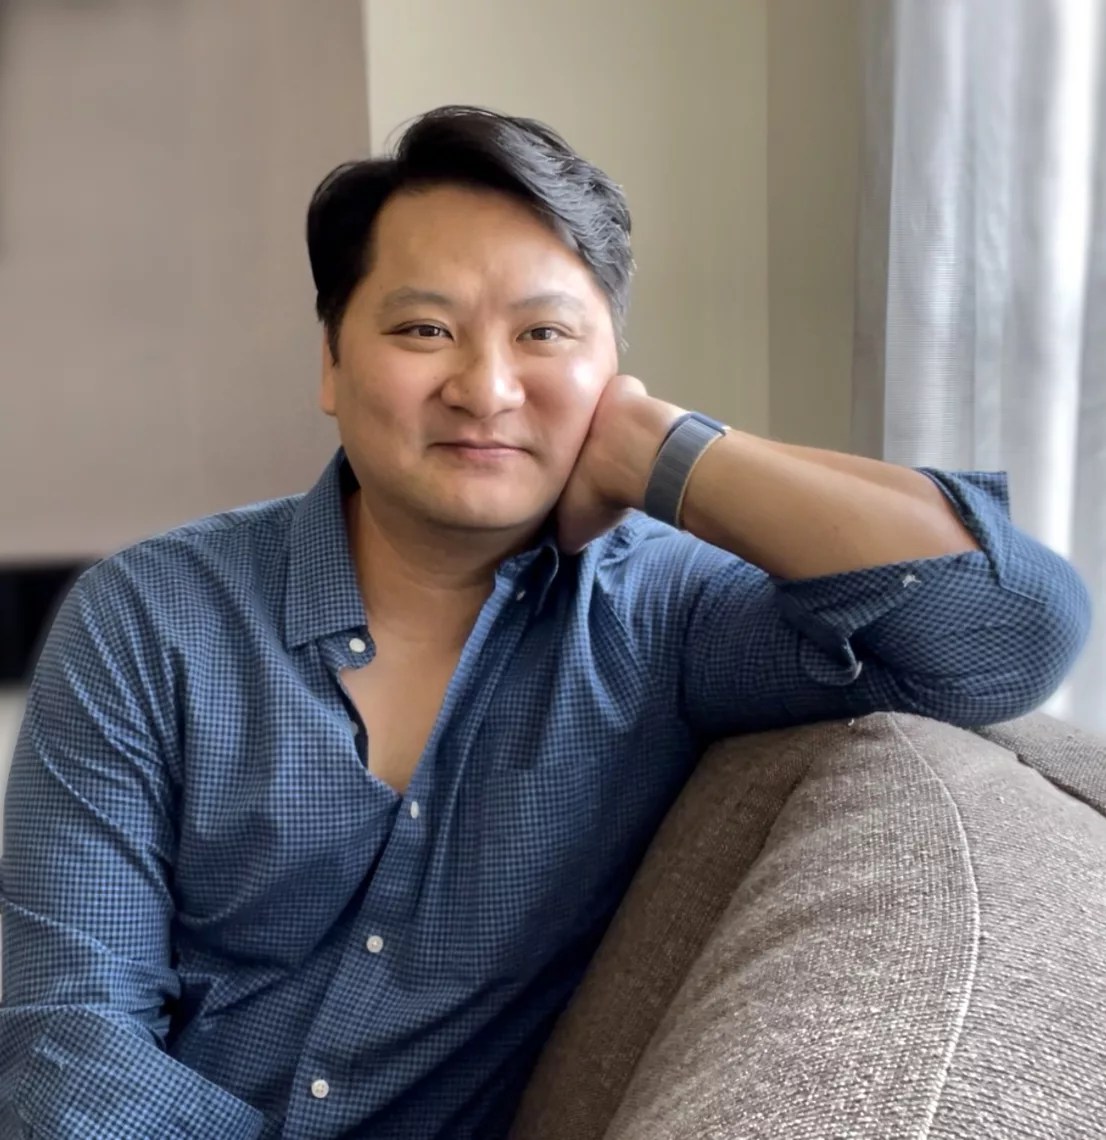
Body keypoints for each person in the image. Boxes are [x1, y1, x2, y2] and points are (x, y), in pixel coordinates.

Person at [0, 105, 1091, 1140]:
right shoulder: (147, 619)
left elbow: (1009, 633)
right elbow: (66, 1039)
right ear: (331, 362)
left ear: (610, 368)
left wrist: (661, 451)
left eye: (544, 334)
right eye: (424, 328)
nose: (485, 388)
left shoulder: (664, 617)